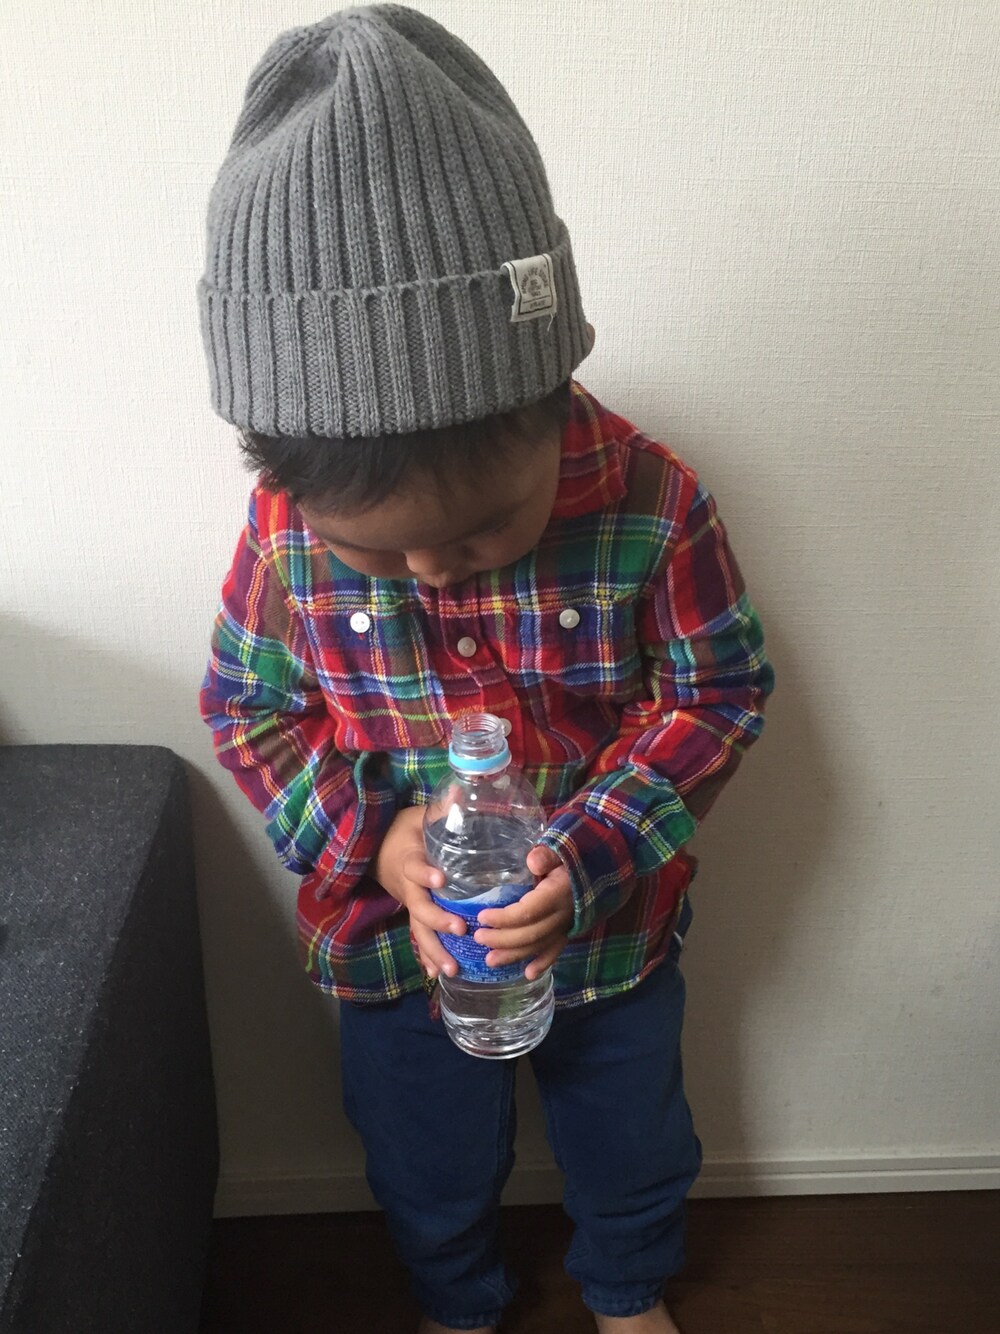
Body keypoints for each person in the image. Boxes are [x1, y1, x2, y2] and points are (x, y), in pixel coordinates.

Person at [197, 7, 774, 1332]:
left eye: (477, 533)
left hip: (607, 934)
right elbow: (248, 709)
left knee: (633, 1131)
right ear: (280, 470)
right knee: (422, 1155)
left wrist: (588, 853)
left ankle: (627, 1287)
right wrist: (376, 840)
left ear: (550, 398)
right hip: (395, 951)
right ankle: (456, 1299)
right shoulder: (282, 535)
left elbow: (719, 693)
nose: (432, 573)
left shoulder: (651, 501)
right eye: (378, 552)